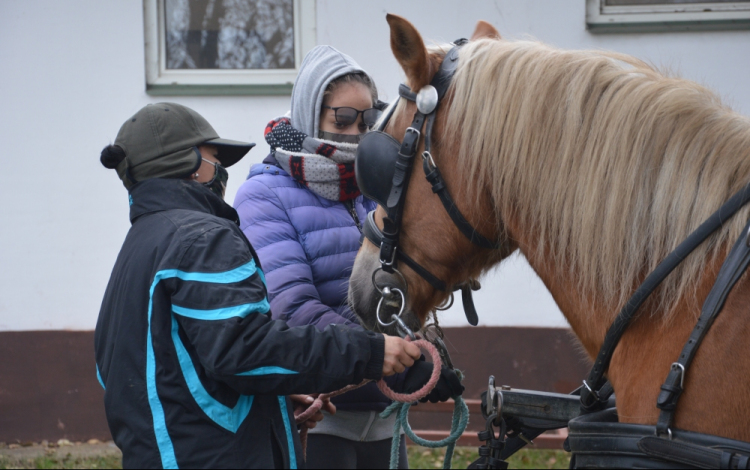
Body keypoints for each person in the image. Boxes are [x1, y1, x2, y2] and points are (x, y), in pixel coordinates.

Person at [94, 102, 424, 469]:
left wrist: (270, 406)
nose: (221, 170)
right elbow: (245, 350)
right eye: (213, 157)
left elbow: (168, 369)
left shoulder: (141, 244)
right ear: (185, 164)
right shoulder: (204, 239)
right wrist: (371, 352)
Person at [233, 46, 464, 469]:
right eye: (343, 119)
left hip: (381, 416)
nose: (357, 131)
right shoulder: (263, 195)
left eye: (367, 119)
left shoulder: (371, 190)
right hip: (318, 419)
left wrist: (423, 352)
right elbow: (292, 310)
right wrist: (389, 359)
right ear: (309, 113)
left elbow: (392, 295)